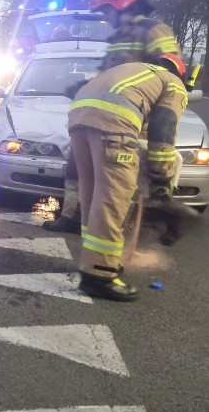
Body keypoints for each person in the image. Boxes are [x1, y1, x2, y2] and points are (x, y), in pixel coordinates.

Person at [44, 0, 183, 234]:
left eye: (106, 11)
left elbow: (168, 71)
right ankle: (74, 216)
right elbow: (111, 75)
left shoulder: (153, 30)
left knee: (116, 177)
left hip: (131, 117)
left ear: (121, 4)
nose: (105, 18)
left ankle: (114, 228)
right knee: (77, 165)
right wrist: (84, 86)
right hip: (107, 114)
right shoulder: (119, 37)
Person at [68, 57, 187, 301]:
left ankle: (92, 261)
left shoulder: (134, 71)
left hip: (79, 120)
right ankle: (100, 275)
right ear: (179, 73)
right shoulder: (173, 83)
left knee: (92, 194)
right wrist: (162, 177)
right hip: (114, 125)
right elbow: (163, 129)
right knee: (114, 198)